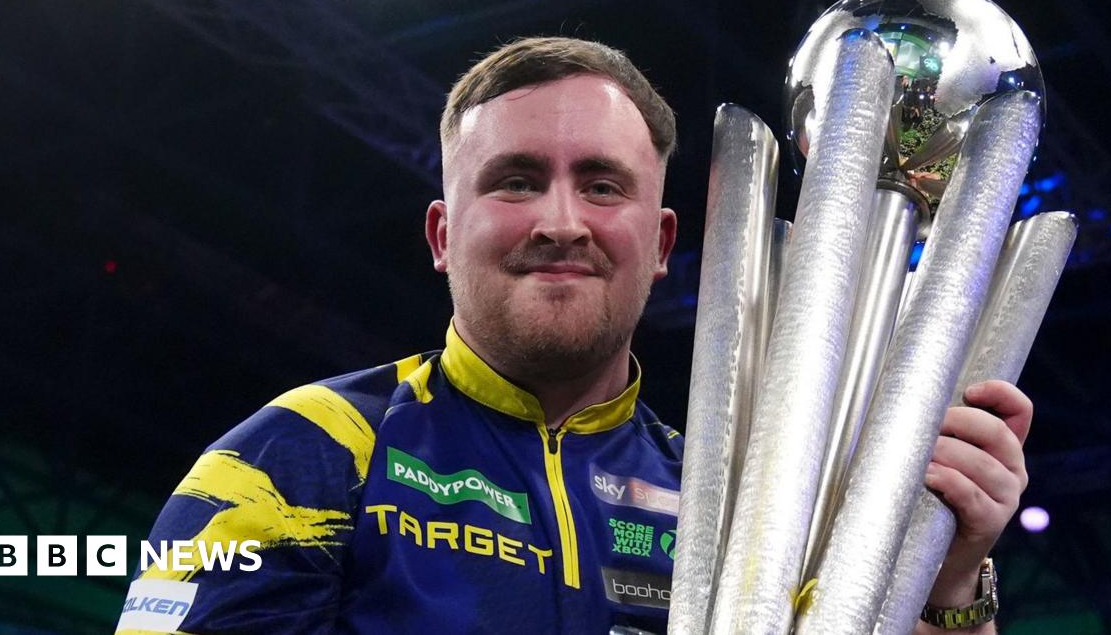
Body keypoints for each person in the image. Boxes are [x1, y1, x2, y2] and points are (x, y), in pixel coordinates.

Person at [116, 37, 1032, 634]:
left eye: (602, 184)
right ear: (443, 235)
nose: (562, 220)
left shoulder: (743, 501)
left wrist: (948, 583)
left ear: (663, 241)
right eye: (515, 180)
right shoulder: (300, 456)